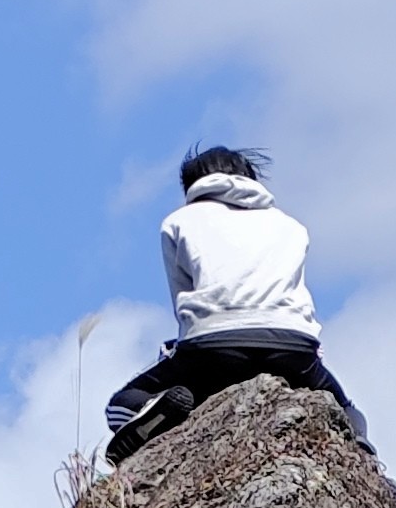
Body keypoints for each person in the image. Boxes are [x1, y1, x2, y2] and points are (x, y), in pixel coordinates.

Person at [100, 149, 369, 463]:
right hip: (292, 345)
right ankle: (360, 448)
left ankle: (159, 413)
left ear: (190, 184)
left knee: (121, 404)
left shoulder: (178, 223)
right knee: (346, 407)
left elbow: (183, 304)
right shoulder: (291, 226)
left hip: (213, 346)